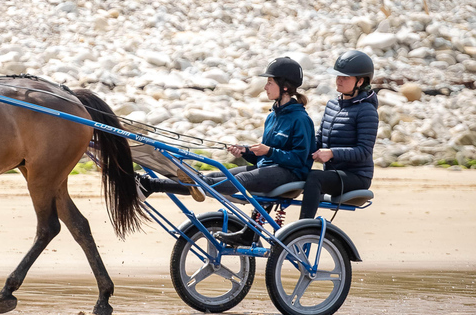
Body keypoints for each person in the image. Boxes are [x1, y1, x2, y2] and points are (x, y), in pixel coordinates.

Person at [138, 57, 316, 242]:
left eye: (270, 82)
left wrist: (269, 151)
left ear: (285, 87)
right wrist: (247, 152)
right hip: (270, 169)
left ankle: (153, 185)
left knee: (237, 180)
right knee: (215, 175)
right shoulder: (273, 117)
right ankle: (151, 184)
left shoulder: (300, 119)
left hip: (291, 174)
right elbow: (263, 160)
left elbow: (299, 159)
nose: (265, 87)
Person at [299, 50, 378, 220]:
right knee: (290, 171)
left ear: (361, 81)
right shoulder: (332, 105)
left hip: (357, 177)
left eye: (345, 77)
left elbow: (364, 151)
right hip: (334, 173)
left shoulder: (367, 111)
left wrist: (333, 153)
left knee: (314, 178)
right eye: (338, 76)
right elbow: (320, 140)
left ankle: (302, 229)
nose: (339, 80)